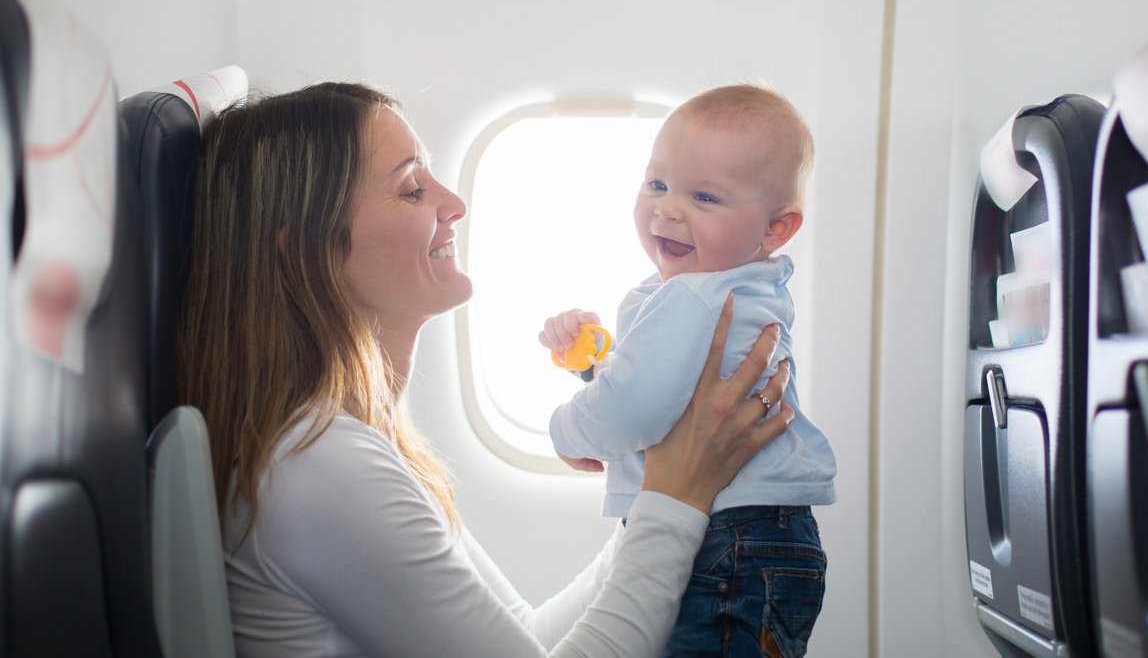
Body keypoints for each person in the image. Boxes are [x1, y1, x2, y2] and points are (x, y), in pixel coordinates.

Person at [177, 81, 796, 657]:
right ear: (307, 245)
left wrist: (673, 481)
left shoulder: (360, 443)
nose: (453, 203)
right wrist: (675, 494)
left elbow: (527, 636)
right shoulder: (319, 465)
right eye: (412, 188)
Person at [539, 83, 837, 657]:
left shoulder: (694, 299)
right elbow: (666, 389)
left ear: (776, 228)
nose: (667, 208)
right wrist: (594, 363)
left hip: (726, 541)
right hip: (761, 539)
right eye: (657, 184)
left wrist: (566, 430)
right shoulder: (737, 288)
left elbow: (637, 407)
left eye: (704, 197)